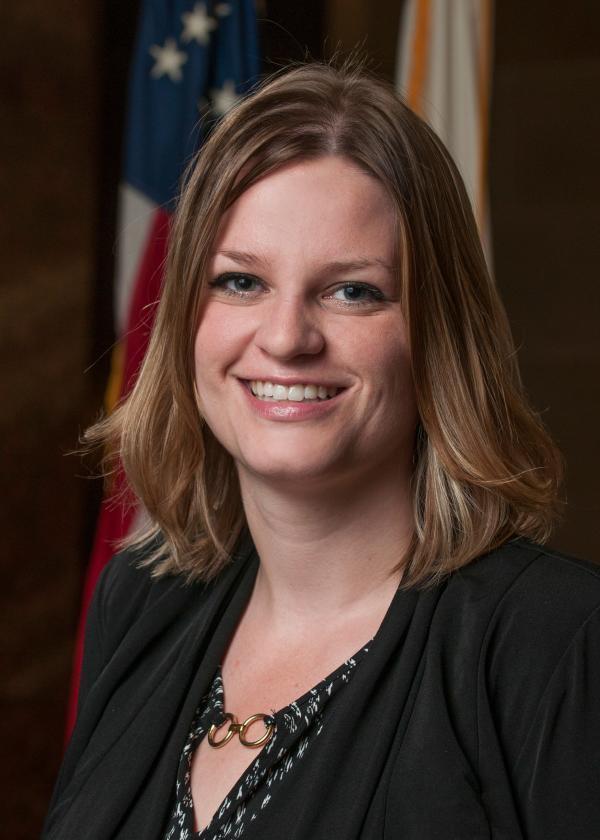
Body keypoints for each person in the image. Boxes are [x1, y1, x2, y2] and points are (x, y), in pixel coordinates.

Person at [43, 60, 600, 840]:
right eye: (241, 282)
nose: (285, 338)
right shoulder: (139, 602)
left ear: (438, 335)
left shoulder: (560, 643)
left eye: (353, 291)